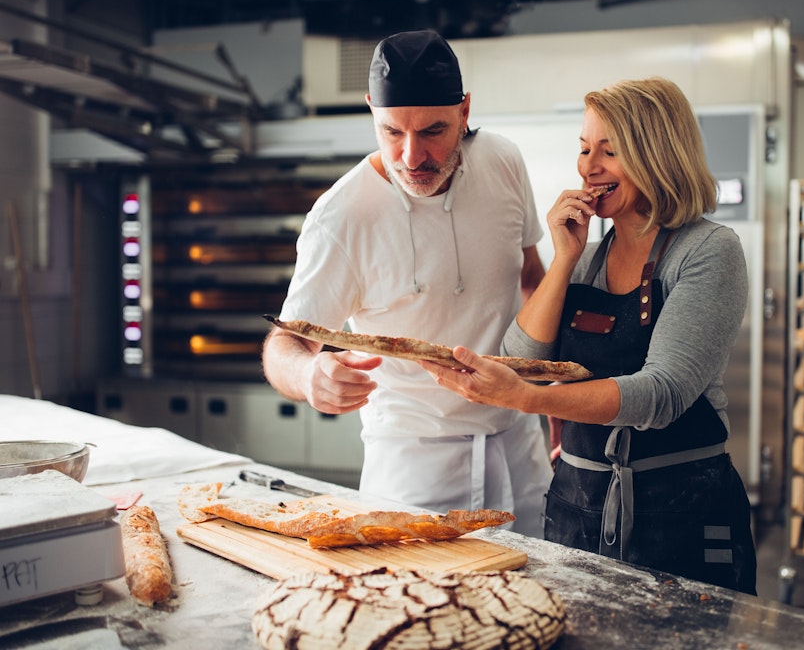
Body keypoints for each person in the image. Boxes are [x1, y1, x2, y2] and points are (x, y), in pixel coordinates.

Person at [421, 76, 757, 594]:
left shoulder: (708, 251)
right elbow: (520, 358)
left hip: (679, 512)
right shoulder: (588, 259)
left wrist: (528, 400)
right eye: (583, 149)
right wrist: (563, 260)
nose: (588, 167)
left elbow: (661, 393)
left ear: (657, 154)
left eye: (609, 151)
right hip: (577, 504)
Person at [261, 30, 551, 538]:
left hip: (521, 447)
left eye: (434, 131)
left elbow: (531, 277)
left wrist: (553, 397)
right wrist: (309, 376)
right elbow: (285, 343)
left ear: (464, 111)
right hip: (413, 469)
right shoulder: (341, 217)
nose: (412, 157)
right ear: (372, 109)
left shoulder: (503, 161)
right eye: (392, 132)